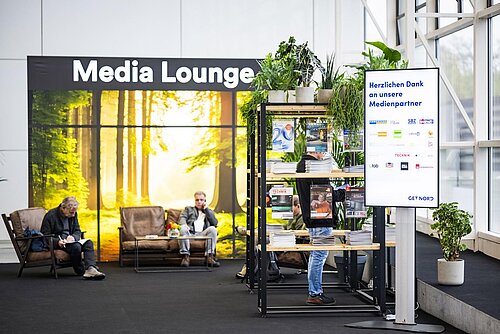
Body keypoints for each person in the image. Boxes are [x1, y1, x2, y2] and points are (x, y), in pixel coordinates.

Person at [296, 151, 345, 305]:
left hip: (315, 218)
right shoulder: (314, 168)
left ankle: (314, 291)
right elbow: (326, 195)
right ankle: (315, 293)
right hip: (321, 220)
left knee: (316, 255)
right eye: (322, 150)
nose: (324, 154)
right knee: (319, 255)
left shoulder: (302, 165)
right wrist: (344, 192)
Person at [41, 196, 105, 280]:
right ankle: (80, 270)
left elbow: (77, 230)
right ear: (63, 208)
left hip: (70, 241)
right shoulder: (50, 216)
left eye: (74, 212)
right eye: (71, 212)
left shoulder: (73, 214)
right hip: (59, 243)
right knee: (76, 247)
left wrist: (73, 237)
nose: (73, 215)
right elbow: (45, 236)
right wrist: (58, 242)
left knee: (89, 243)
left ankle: (90, 269)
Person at [178, 191, 220, 267]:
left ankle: (209, 257)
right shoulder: (188, 209)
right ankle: (185, 257)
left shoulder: (209, 211)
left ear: (205, 201)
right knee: (182, 229)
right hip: (190, 233)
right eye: (197, 200)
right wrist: (184, 224)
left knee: (213, 229)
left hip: (203, 234)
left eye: (201, 200)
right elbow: (182, 218)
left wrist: (206, 209)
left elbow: (214, 223)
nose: (199, 202)